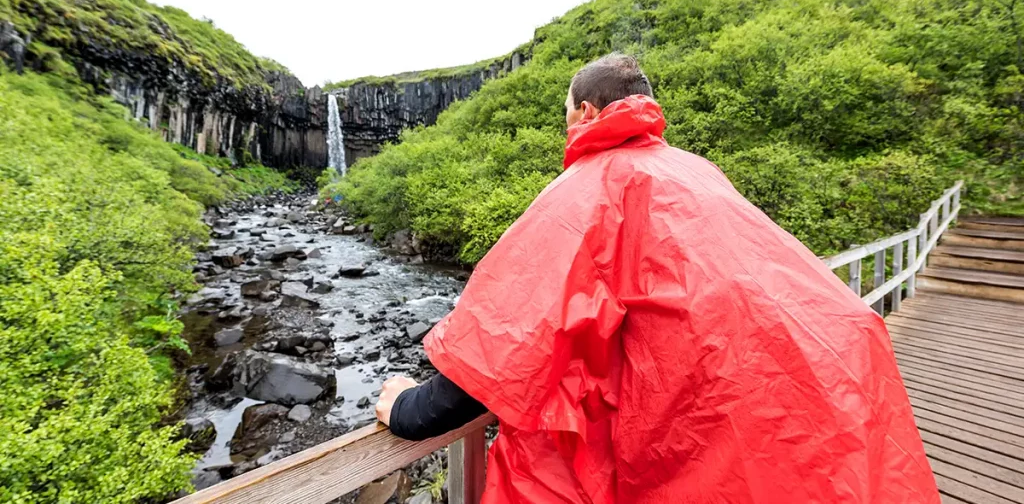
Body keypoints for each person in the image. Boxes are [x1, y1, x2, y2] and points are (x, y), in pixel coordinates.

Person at [375, 54, 940, 503]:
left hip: (708, 447)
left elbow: (506, 338)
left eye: (566, 111)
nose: (565, 123)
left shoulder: (587, 192)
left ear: (588, 113)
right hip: (814, 416)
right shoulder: (696, 171)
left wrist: (409, 409)